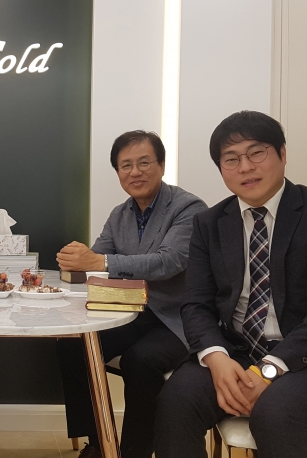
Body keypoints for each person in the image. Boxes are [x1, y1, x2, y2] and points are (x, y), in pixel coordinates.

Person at [153, 111, 307, 458]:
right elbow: (196, 304)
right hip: (238, 352)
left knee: (277, 414)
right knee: (175, 400)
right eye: (231, 159)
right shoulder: (209, 224)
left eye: (256, 153)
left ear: (282, 154)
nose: (245, 167)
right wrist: (215, 356)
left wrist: (270, 369)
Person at [55, 130, 207, 458]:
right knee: (73, 343)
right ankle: (98, 443)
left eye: (144, 163)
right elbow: (97, 258)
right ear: (118, 172)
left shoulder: (188, 207)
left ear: (162, 165)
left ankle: (133, 452)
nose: (135, 172)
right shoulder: (119, 214)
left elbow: (168, 261)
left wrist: (98, 261)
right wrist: (75, 259)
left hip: (178, 318)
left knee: (140, 361)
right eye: (126, 165)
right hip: (132, 312)